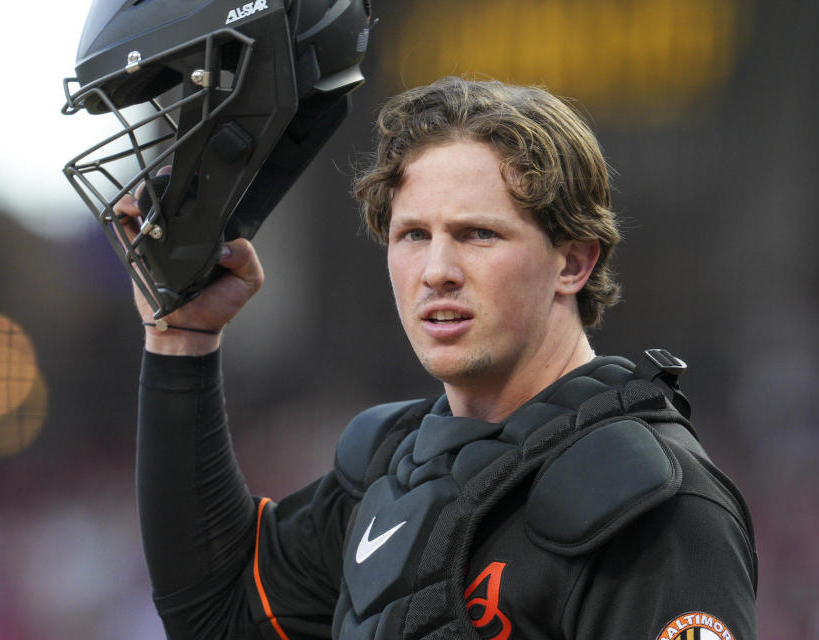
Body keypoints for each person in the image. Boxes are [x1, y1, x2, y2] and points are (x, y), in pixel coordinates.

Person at [114, 77, 757, 639]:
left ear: (573, 261)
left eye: (479, 234)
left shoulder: (656, 504)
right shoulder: (396, 467)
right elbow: (219, 615)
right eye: (413, 235)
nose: (437, 271)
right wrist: (182, 342)